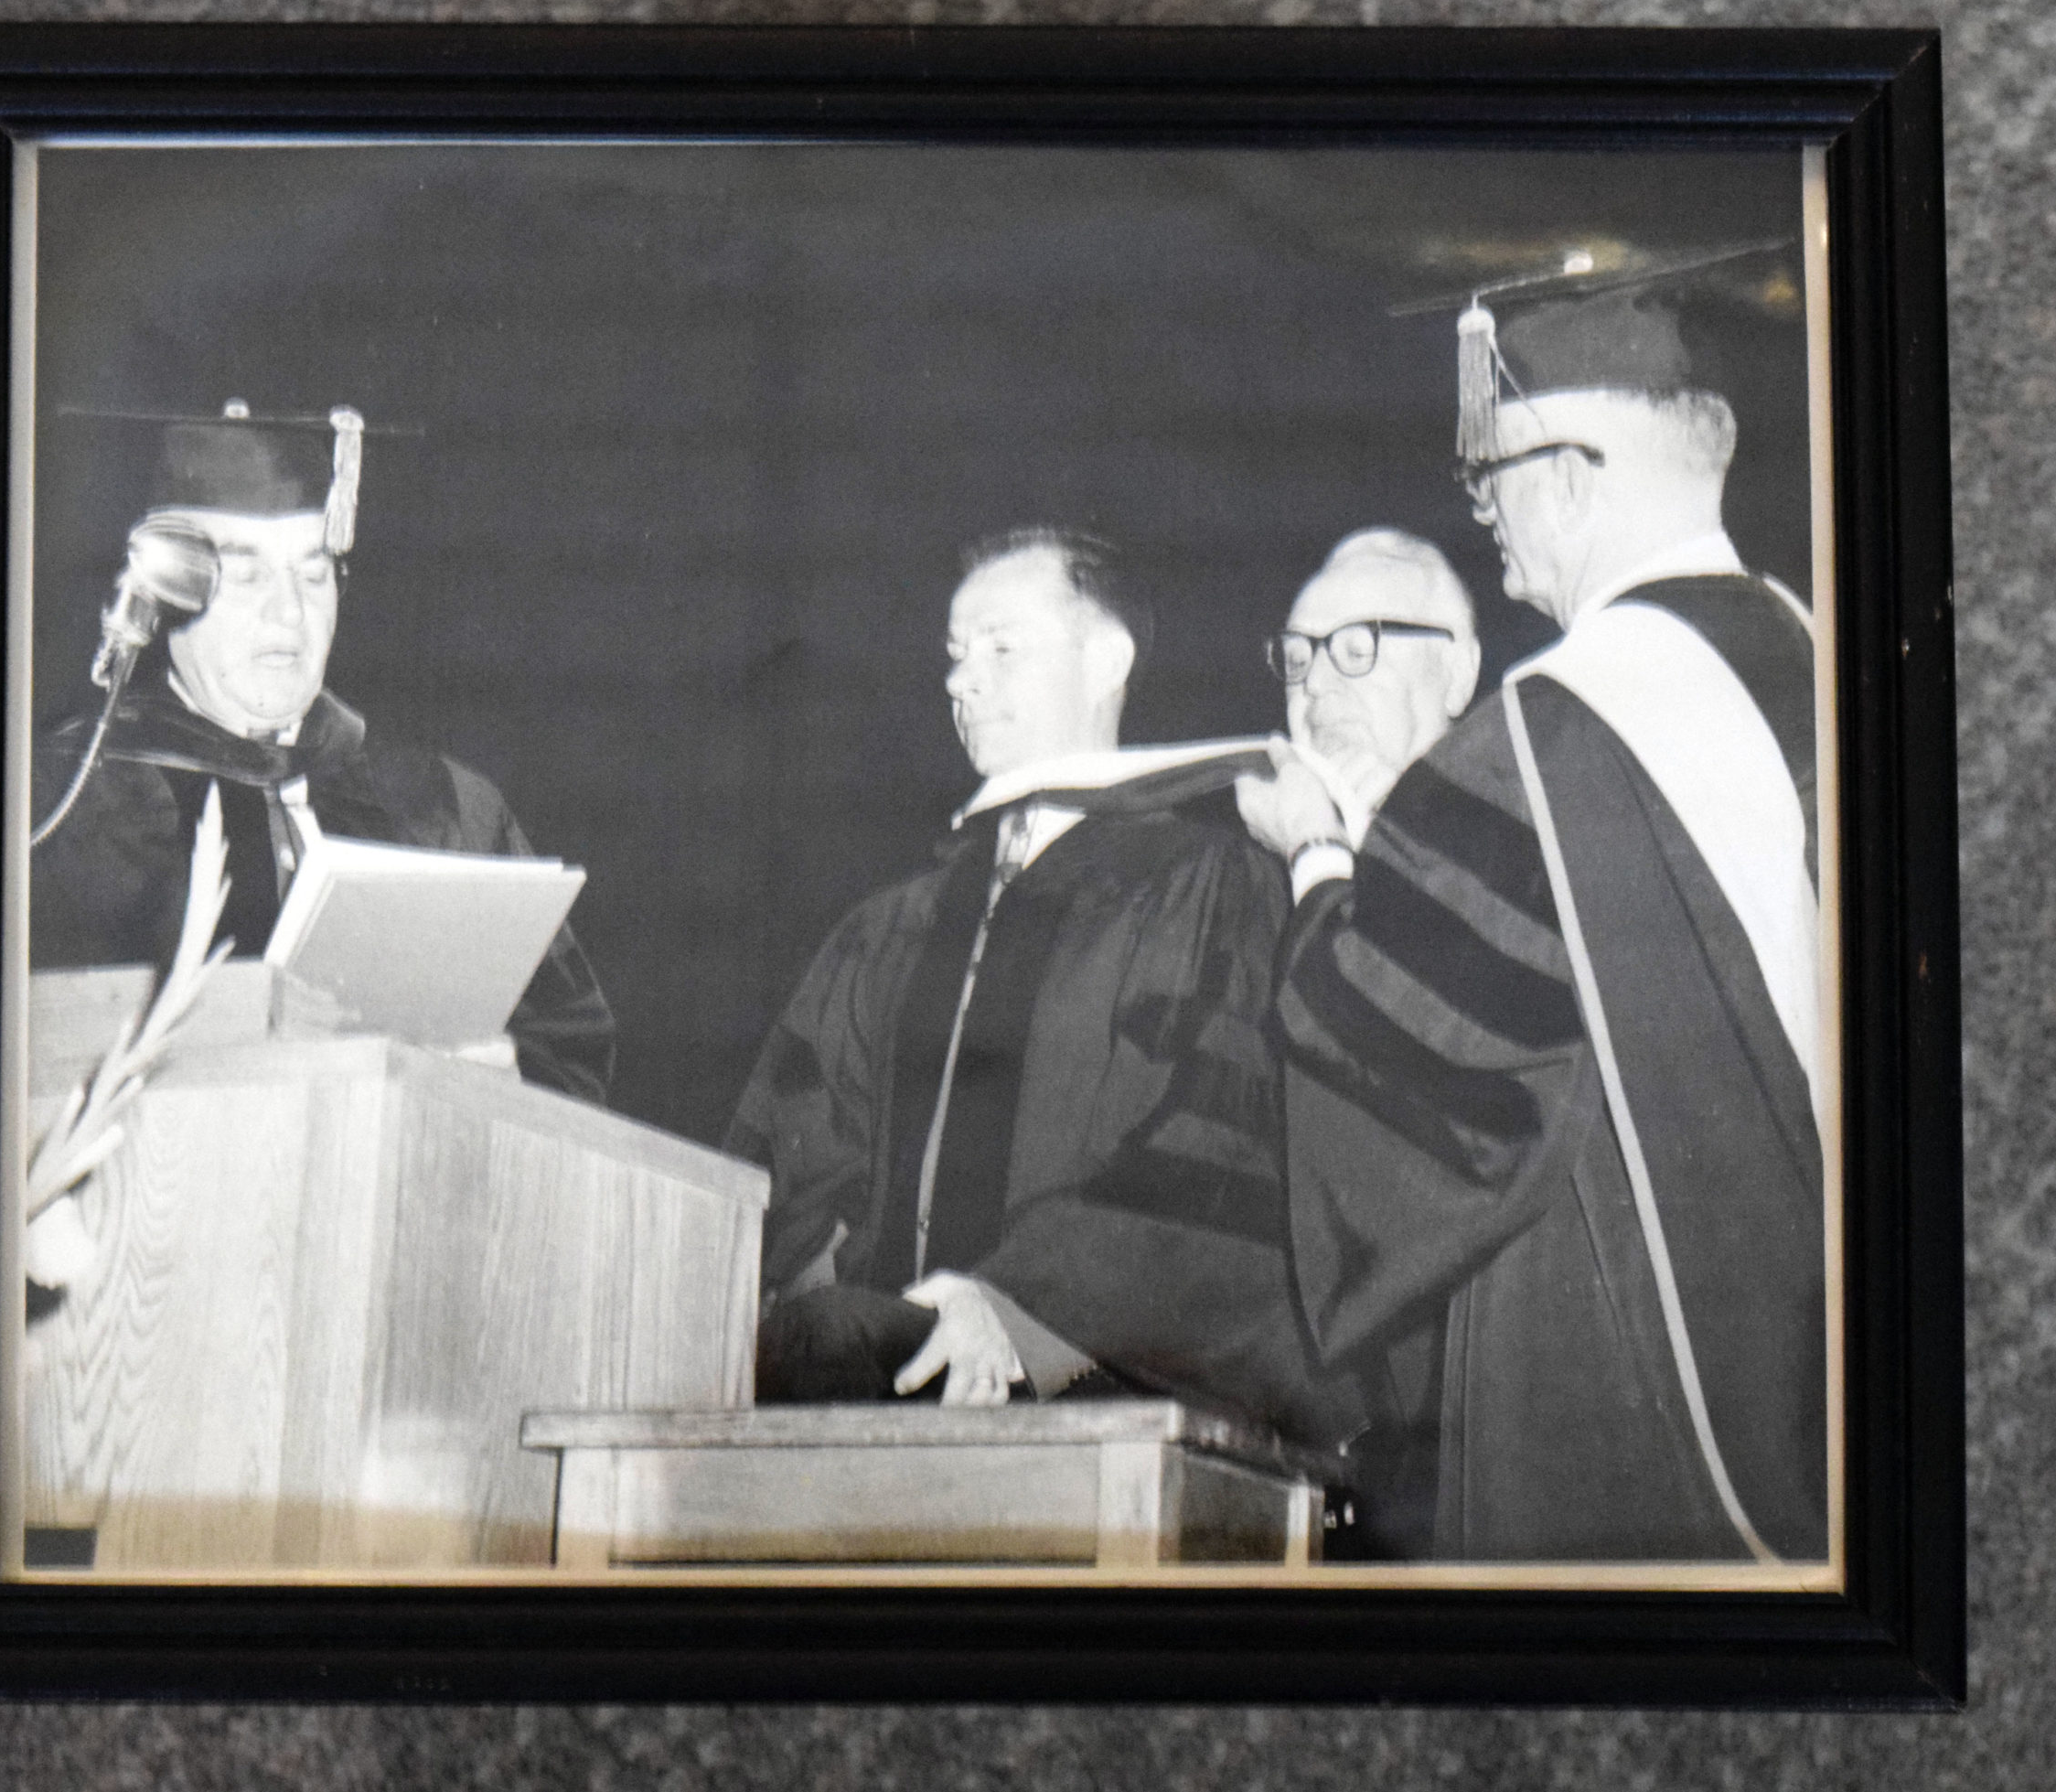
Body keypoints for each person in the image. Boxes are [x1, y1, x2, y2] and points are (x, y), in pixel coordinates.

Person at [1237, 263, 1827, 1562]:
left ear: (1569, 474)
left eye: (1492, 474)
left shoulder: (1553, 731)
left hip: (1621, 1357)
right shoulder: (1822, 661)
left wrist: (1320, 859)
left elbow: (1411, 1069)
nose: (1485, 512)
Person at [726, 526, 1337, 1445]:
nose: (961, 680)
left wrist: (1013, 1303)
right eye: (956, 655)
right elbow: (797, 1154)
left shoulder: (1210, 887)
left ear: (1105, 659)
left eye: (1003, 648)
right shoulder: (894, 925)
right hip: (892, 1374)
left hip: (1104, 1369)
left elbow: (1222, 1158)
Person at [29, 402, 615, 1103]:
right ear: (166, 593)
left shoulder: (446, 808)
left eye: (312, 575)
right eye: (245, 576)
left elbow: (574, 1045)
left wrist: (506, 1074)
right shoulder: (67, 806)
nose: (289, 614)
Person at [1235, 526, 1482, 897]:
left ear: (1457, 674)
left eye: (1356, 651)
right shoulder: (1234, 877)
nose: (1313, 683)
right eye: (1297, 658)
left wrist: (1317, 849)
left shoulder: (1534, 842)